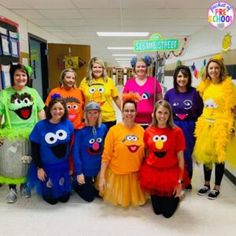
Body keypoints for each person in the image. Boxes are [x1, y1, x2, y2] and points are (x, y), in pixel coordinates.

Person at [0, 63, 45, 203]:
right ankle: (12, 189)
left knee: (27, 161)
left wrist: (42, 129)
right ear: (13, 76)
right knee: (11, 163)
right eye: (17, 75)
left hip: (31, 133)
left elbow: (41, 111)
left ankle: (25, 185)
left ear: (27, 77)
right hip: (11, 133)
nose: (21, 78)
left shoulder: (33, 92)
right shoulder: (4, 93)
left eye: (23, 75)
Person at [193, 55, 236, 200]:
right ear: (207, 70)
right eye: (211, 68)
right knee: (207, 155)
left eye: (216, 68)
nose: (213, 70)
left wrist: (232, 125)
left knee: (219, 157)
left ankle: (216, 186)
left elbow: (233, 108)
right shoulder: (205, 86)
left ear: (221, 69)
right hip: (206, 124)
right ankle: (206, 184)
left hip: (221, 125)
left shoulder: (228, 86)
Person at [139, 100, 189, 218]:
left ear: (170, 114)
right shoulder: (148, 131)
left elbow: (181, 158)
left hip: (170, 173)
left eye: (166, 113)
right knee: (157, 211)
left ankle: (178, 197)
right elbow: (146, 152)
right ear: (154, 113)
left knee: (167, 213)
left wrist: (179, 182)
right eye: (159, 112)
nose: (162, 116)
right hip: (153, 172)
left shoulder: (177, 131)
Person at [98, 93, 147, 207]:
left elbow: (145, 155)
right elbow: (106, 156)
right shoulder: (113, 131)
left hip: (135, 175)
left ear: (136, 112)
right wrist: (102, 178)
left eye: (132, 111)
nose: (129, 113)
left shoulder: (141, 130)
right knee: (120, 201)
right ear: (122, 111)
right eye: (126, 110)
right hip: (117, 175)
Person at [28, 97, 74, 205]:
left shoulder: (68, 124)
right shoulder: (40, 126)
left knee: (64, 198)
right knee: (52, 200)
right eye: (54, 109)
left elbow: (71, 145)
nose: (57, 111)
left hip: (63, 165)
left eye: (60, 108)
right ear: (50, 110)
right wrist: (39, 167)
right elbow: (34, 148)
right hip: (47, 166)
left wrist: (71, 165)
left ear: (64, 110)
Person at [164, 65, 203, 190]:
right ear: (175, 78)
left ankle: (186, 180)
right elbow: (164, 111)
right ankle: (172, 178)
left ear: (189, 78)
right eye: (179, 76)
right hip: (172, 127)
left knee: (186, 155)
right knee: (172, 155)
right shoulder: (170, 93)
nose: (182, 79)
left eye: (185, 76)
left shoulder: (195, 93)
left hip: (189, 128)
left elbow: (200, 112)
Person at [72, 101, 107, 202]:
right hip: (85, 169)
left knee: (102, 195)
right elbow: (76, 152)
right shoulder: (80, 130)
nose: (92, 115)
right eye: (89, 113)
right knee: (89, 198)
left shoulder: (103, 128)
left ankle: (92, 184)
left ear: (99, 113)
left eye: (95, 112)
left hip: (98, 169)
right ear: (85, 113)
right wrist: (79, 172)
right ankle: (76, 183)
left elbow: (106, 149)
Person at [80, 57, 121, 131]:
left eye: (100, 67)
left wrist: (124, 111)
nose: (97, 69)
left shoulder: (109, 81)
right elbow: (79, 99)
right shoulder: (85, 81)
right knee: (91, 141)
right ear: (91, 69)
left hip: (108, 118)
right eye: (95, 67)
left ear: (103, 69)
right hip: (90, 118)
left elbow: (116, 98)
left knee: (107, 142)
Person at [123, 56, 162, 129]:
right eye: (138, 67)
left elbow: (160, 102)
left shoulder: (154, 82)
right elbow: (124, 102)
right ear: (134, 68)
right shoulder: (129, 83)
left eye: (143, 66)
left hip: (151, 122)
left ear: (146, 68)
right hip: (133, 122)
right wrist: (125, 117)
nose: (141, 68)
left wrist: (158, 118)